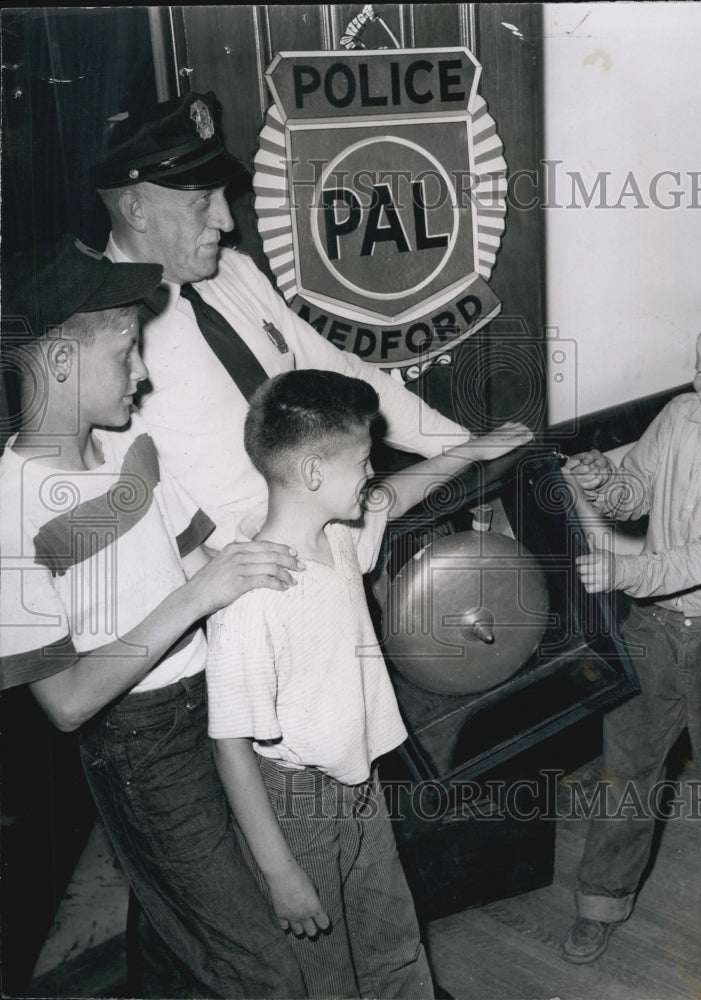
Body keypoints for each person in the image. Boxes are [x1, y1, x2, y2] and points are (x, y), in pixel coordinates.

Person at [0, 236, 307, 998]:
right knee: (263, 965)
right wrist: (194, 602)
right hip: (138, 746)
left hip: (211, 702)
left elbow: (204, 559)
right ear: (62, 363)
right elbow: (66, 703)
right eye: (127, 353)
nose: (142, 375)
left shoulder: (131, 446)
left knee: (179, 925)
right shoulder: (13, 507)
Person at [205, 369, 532, 998]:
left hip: (358, 785)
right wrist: (279, 872)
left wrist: (470, 450)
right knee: (324, 973)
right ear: (312, 475)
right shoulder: (252, 597)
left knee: (392, 940)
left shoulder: (337, 534)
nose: (371, 470)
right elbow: (230, 748)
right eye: (362, 459)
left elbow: (395, 497)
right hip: (293, 803)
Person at [94, 90, 472, 547]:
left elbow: (341, 371)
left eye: (222, 195)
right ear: (137, 211)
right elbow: (142, 510)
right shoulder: (100, 335)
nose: (227, 221)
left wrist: (463, 450)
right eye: (202, 203)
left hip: (349, 547)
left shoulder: (234, 273)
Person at [559, 306, 701, 964]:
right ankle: (600, 901)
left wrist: (626, 569)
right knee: (626, 771)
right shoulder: (679, 417)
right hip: (654, 629)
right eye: (699, 374)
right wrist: (605, 482)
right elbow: (635, 494)